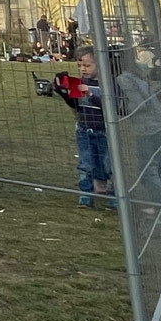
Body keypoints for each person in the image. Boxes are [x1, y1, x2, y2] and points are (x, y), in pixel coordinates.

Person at [52, 48, 114, 208]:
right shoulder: (79, 83)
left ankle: (114, 195)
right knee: (85, 164)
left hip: (105, 131)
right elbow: (76, 105)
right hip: (84, 129)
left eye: (87, 65)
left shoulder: (108, 84)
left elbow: (111, 108)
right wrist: (63, 93)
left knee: (108, 165)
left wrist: (91, 96)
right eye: (80, 65)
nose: (83, 69)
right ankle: (86, 195)